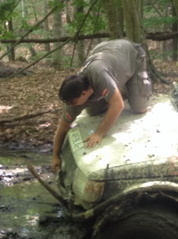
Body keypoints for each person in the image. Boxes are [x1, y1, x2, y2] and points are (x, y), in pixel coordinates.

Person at [51, 39, 152, 171]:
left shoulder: (98, 74)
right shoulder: (76, 92)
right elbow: (64, 125)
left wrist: (99, 133)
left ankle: (125, 89)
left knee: (139, 107)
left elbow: (118, 105)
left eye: (74, 102)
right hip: (106, 53)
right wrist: (55, 156)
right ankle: (114, 90)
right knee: (93, 111)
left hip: (130, 54)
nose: (72, 105)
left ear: (83, 93)